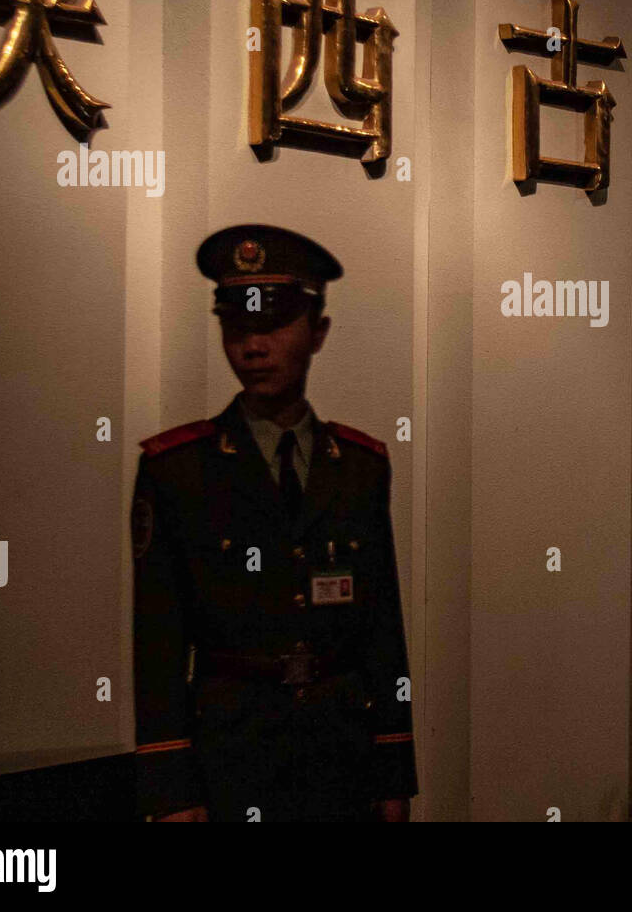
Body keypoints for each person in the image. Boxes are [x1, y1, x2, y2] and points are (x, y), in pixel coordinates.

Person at [130, 223, 416, 822]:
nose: (253, 346)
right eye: (237, 327)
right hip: (231, 758)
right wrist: (172, 788)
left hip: (341, 756)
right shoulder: (178, 471)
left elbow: (383, 632)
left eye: (274, 325)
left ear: (318, 333)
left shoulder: (360, 467)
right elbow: (158, 642)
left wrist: (394, 764)